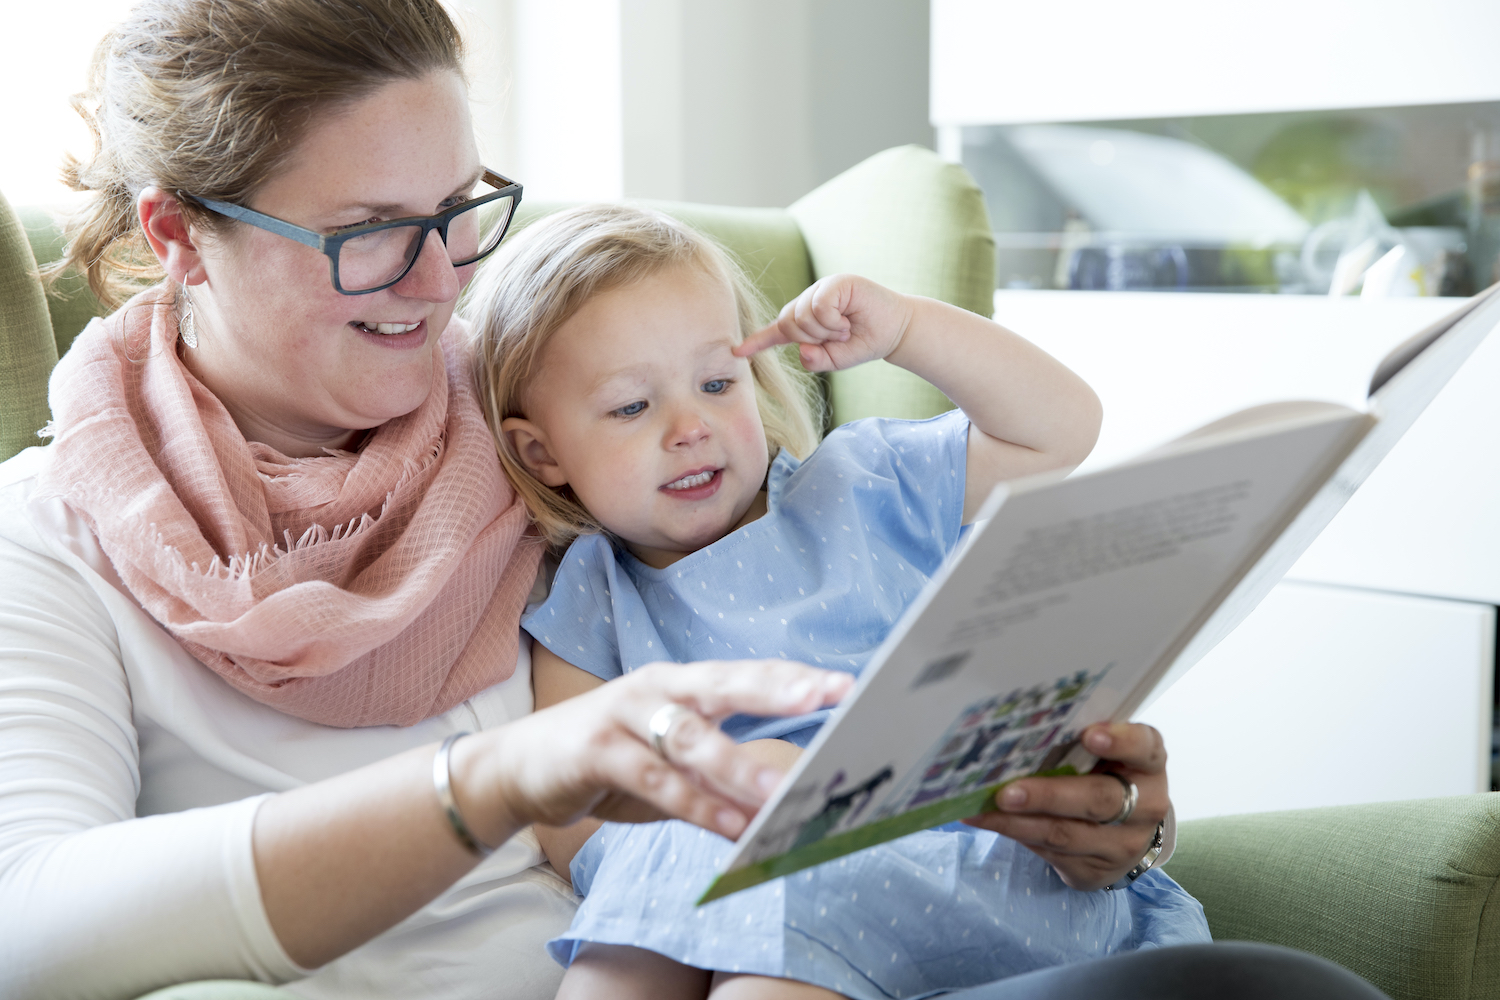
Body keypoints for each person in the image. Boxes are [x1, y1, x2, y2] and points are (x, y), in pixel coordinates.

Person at [0, 1, 1391, 999]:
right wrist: (497, 779)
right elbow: (28, 930)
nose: (442, 288)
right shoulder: (50, 538)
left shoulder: (556, 427)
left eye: (460, 213)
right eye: (372, 240)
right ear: (179, 234)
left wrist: (1092, 815)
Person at [465, 204, 1209, 999]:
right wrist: (726, 800)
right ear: (540, 452)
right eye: (631, 406)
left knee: (758, 949)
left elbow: (1060, 430)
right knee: (624, 945)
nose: (691, 427)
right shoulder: (591, 592)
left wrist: (907, 330)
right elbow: (571, 821)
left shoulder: (864, 482)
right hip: (727, 871)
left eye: (719, 382)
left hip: (951, 860)